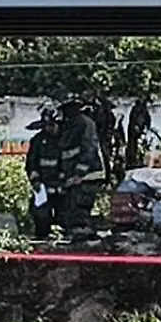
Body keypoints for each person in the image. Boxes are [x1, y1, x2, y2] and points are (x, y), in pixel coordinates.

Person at [58, 96, 105, 234]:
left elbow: (89, 149)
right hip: (73, 177)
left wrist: (79, 173)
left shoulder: (85, 124)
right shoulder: (70, 125)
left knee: (81, 209)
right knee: (71, 209)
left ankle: (84, 237)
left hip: (87, 176)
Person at [25, 109, 63, 238]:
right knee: (41, 214)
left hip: (62, 184)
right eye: (47, 125)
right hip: (43, 185)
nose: (49, 128)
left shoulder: (66, 139)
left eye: (52, 125)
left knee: (64, 214)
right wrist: (35, 180)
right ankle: (42, 237)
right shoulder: (38, 140)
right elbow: (31, 163)